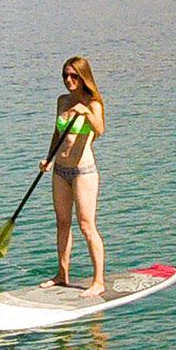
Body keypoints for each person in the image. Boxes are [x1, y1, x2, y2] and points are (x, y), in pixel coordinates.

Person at [39, 56, 107, 297]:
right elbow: (57, 134)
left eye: (73, 76)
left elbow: (100, 130)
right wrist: (48, 159)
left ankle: (98, 281)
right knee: (62, 223)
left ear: (83, 76)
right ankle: (62, 275)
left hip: (83, 171)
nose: (69, 80)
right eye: (65, 76)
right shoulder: (62, 101)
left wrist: (86, 113)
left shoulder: (94, 103)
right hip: (60, 170)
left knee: (86, 226)